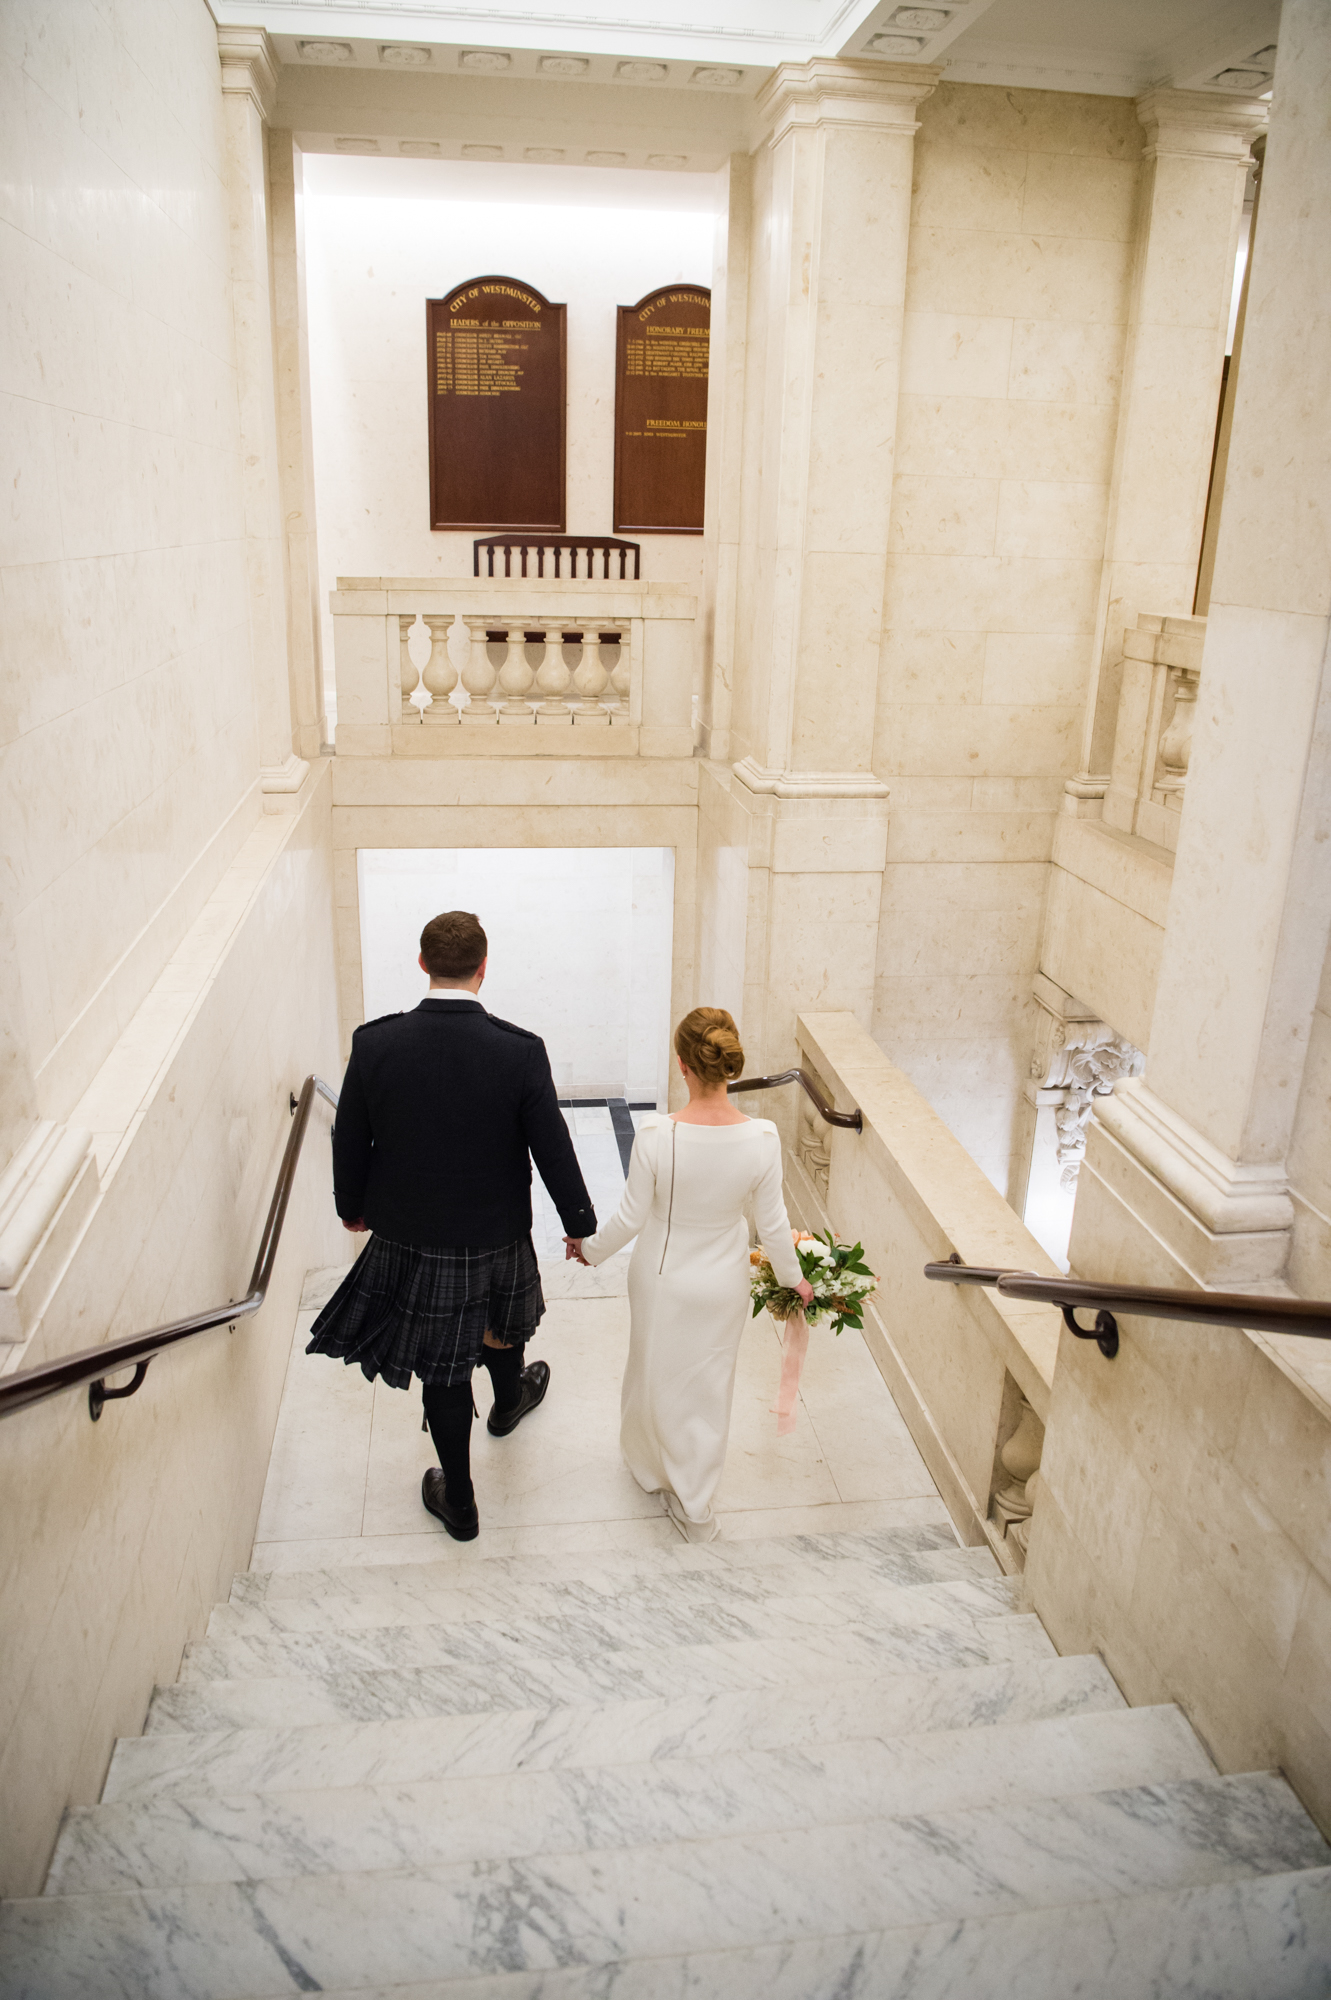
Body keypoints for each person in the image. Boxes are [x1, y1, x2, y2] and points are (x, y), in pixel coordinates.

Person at [305, 910, 597, 1542]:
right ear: (483, 969)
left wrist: (349, 1207)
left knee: (442, 1366)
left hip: (414, 1238)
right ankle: (508, 1400)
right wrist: (579, 1223)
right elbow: (553, 1148)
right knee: (502, 1323)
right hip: (495, 1233)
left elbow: (349, 1137)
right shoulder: (520, 1052)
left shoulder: (374, 1043)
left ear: (422, 964)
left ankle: (460, 1500)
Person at [567, 1007, 812, 1542]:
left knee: (652, 1371)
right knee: (708, 1383)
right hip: (723, 1283)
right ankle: (695, 1501)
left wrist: (587, 1250)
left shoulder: (656, 1134)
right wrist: (797, 1280)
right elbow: (773, 1229)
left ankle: (651, 1466)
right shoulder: (763, 1138)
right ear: (727, 1063)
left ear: (683, 1066)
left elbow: (630, 1218)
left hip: (661, 1278)